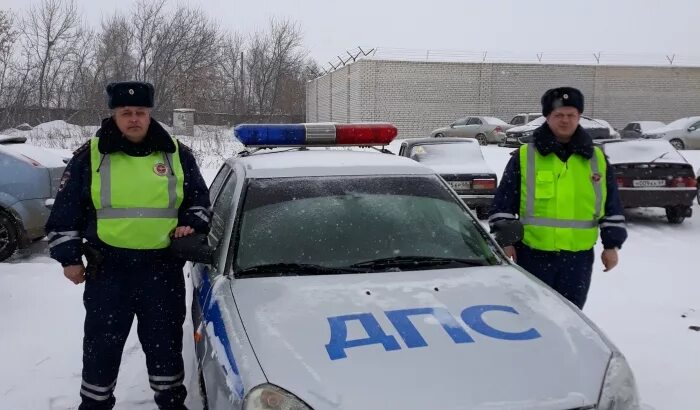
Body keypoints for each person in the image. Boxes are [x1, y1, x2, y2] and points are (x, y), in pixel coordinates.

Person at [45, 81, 211, 410]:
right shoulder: (90, 155)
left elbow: (199, 202)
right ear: (114, 115)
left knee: (165, 345)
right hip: (108, 272)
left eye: (140, 112)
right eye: (126, 113)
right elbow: (65, 212)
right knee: (101, 347)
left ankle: (172, 404)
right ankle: (94, 405)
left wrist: (190, 223)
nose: (133, 119)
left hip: (161, 271)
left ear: (149, 114)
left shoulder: (177, 153)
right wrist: (69, 259)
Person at [488, 86, 627, 309]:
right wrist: (505, 240)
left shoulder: (596, 159)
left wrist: (612, 245)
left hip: (578, 259)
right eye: (558, 115)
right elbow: (504, 202)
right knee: (534, 315)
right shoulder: (525, 156)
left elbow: (612, 207)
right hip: (533, 255)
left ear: (579, 116)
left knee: (572, 315)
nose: (565, 120)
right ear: (547, 117)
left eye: (571, 115)